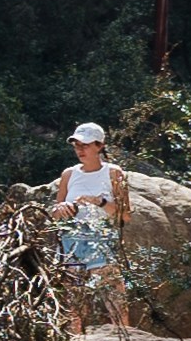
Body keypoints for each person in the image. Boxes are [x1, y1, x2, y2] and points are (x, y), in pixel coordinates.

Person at [51, 121, 132, 325]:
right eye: (76, 145)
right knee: (74, 302)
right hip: (72, 239)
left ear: (100, 145)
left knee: (114, 297)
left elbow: (125, 216)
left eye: (85, 145)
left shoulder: (114, 173)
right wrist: (61, 209)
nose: (80, 150)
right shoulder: (69, 174)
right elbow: (55, 212)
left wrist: (100, 202)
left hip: (101, 238)